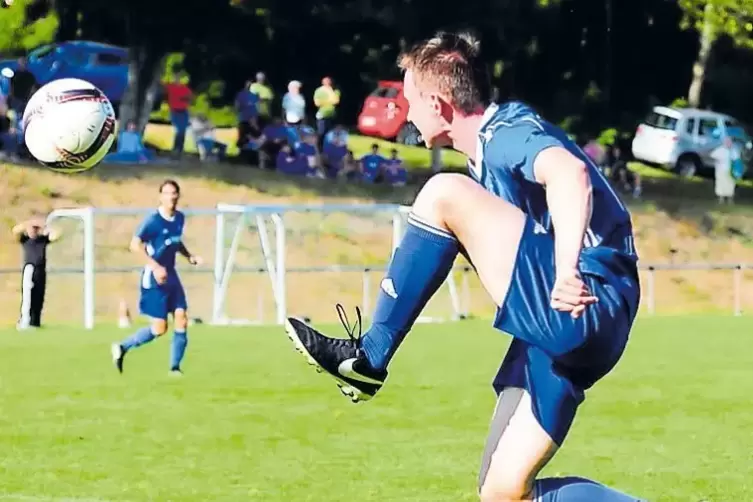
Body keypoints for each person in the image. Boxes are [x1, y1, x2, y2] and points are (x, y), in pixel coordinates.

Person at [283, 31, 642, 502]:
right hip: (566, 329)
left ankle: (369, 357)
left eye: (410, 99)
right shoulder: (487, 157)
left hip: (588, 297)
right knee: (502, 493)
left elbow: (569, 174)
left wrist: (567, 269)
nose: (406, 112)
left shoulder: (504, 132)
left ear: (439, 103)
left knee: (440, 194)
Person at [111, 180, 202, 376]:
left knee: (182, 317)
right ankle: (123, 346)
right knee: (160, 328)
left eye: (174, 193)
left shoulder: (179, 218)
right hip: (154, 279)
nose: (171, 197)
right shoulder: (152, 221)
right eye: (167, 193)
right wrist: (155, 267)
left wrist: (189, 256)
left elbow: (176, 243)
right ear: (161, 196)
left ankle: (175, 368)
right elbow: (135, 245)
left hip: (172, 275)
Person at [12, 216, 60, 330]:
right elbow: (15, 230)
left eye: (35, 228)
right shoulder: (25, 239)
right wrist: (28, 223)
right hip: (30, 269)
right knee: (28, 296)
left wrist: (44, 226)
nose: (33, 230)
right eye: (32, 228)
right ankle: (24, 321)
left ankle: (35, 322)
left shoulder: (42, 239)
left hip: (40, 271)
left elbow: (57, 235)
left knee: (39, 296)